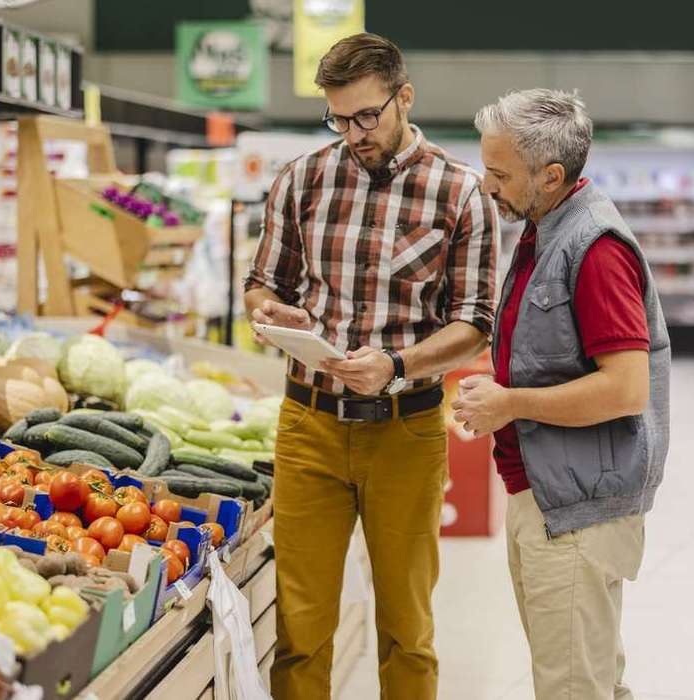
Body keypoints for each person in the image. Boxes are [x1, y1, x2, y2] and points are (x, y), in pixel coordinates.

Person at [243, 33, 499, 700]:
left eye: (367, 116)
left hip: (405, 433)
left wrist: (396, 363)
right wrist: (272, 312)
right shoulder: (302, 178)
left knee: (405, 629)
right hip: (309, 427)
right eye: (338, 118)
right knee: (300, 628)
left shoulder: (460, 192)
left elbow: (475, 325)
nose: (354, 132)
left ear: (402, 97)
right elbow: (261, 283)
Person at [452, 88, 671, 700]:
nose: (488, 186)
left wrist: (510, 403)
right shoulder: (544, 228)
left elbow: (626, 389)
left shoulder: (593, 247)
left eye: (499, 174)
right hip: (551, 491)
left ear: (552, 175)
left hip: (574, 511)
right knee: (591, 679)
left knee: (571, 689)